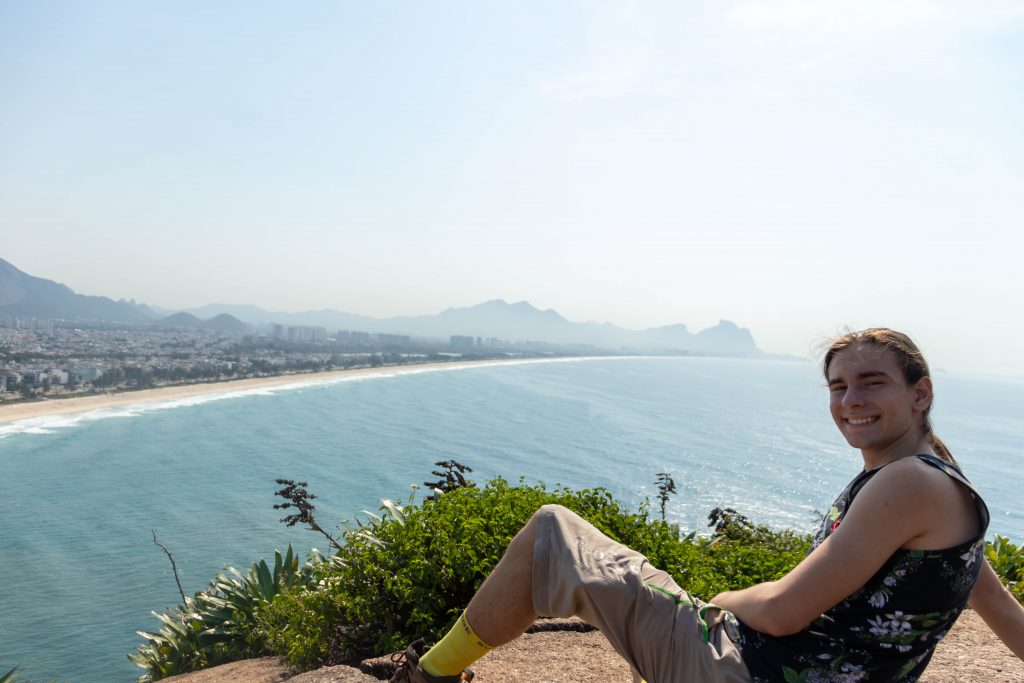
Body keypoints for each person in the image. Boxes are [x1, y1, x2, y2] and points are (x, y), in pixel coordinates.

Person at [390, 328, 1024, 682]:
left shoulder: (905, 481)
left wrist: (720, 603)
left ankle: (431, 677)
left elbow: (779, 612)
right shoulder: (944, 480)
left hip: (751, 673)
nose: (849, 399)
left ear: (921, 393)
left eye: (871, 382)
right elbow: (993, 600)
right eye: (838, 386)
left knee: (552, 532)